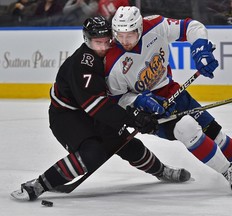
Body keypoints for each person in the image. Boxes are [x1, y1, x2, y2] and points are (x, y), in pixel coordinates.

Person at [10, 16, 191, 201]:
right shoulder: (82, 65)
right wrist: (133, 118)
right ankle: (39, 184)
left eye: (107, 41)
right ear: (87, 40)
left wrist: (139, 109)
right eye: (98, 42)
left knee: (129, 145)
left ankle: (162, 171)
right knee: (92, 154)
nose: (104, 47)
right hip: (67, 116)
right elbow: (97, 107)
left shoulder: (115, 51)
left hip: (95, 111)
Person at [105, 6, 232, 193]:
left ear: (139, 29)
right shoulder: (111, 62)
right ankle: (229, 172)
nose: (124, 40)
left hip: (174, 91)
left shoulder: (155, 26)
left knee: (215, 133)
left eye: (130, 35)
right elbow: (118, 98)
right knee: (186, 128)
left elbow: (192, 27)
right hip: (150, 111)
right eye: (120, 35)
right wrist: (139, 102)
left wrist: (200, 49)